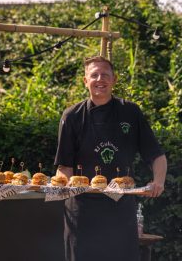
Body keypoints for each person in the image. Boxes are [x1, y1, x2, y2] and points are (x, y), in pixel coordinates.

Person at [54, 56, 167, 261]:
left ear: (114, 80)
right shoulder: (71, 116)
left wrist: (158, 181)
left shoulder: (131, 112)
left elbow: (156, 155)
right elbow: (65, 167)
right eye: (94, 75)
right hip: (82, 211)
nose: (100, 79)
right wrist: (60, 184)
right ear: (85, 81)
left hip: (120, 210)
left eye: (105, 75)